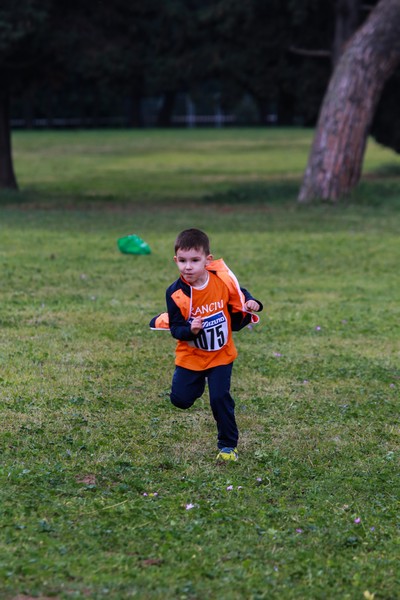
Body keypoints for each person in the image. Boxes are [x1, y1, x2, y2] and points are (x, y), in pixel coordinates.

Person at [149, 228, 263, 461]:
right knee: (180, 400)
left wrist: (252, 302)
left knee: (220, 397)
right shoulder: (175, 293)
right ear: (175, 260)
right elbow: (176, 329)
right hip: (191, 356)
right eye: (182, 261)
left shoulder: (220, 280)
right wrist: (190, 330)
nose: (187, 267)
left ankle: (228, 445)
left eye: (194, 260)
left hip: (221, 354)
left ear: (207, 260)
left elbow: (240, 294)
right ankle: (197, 382)